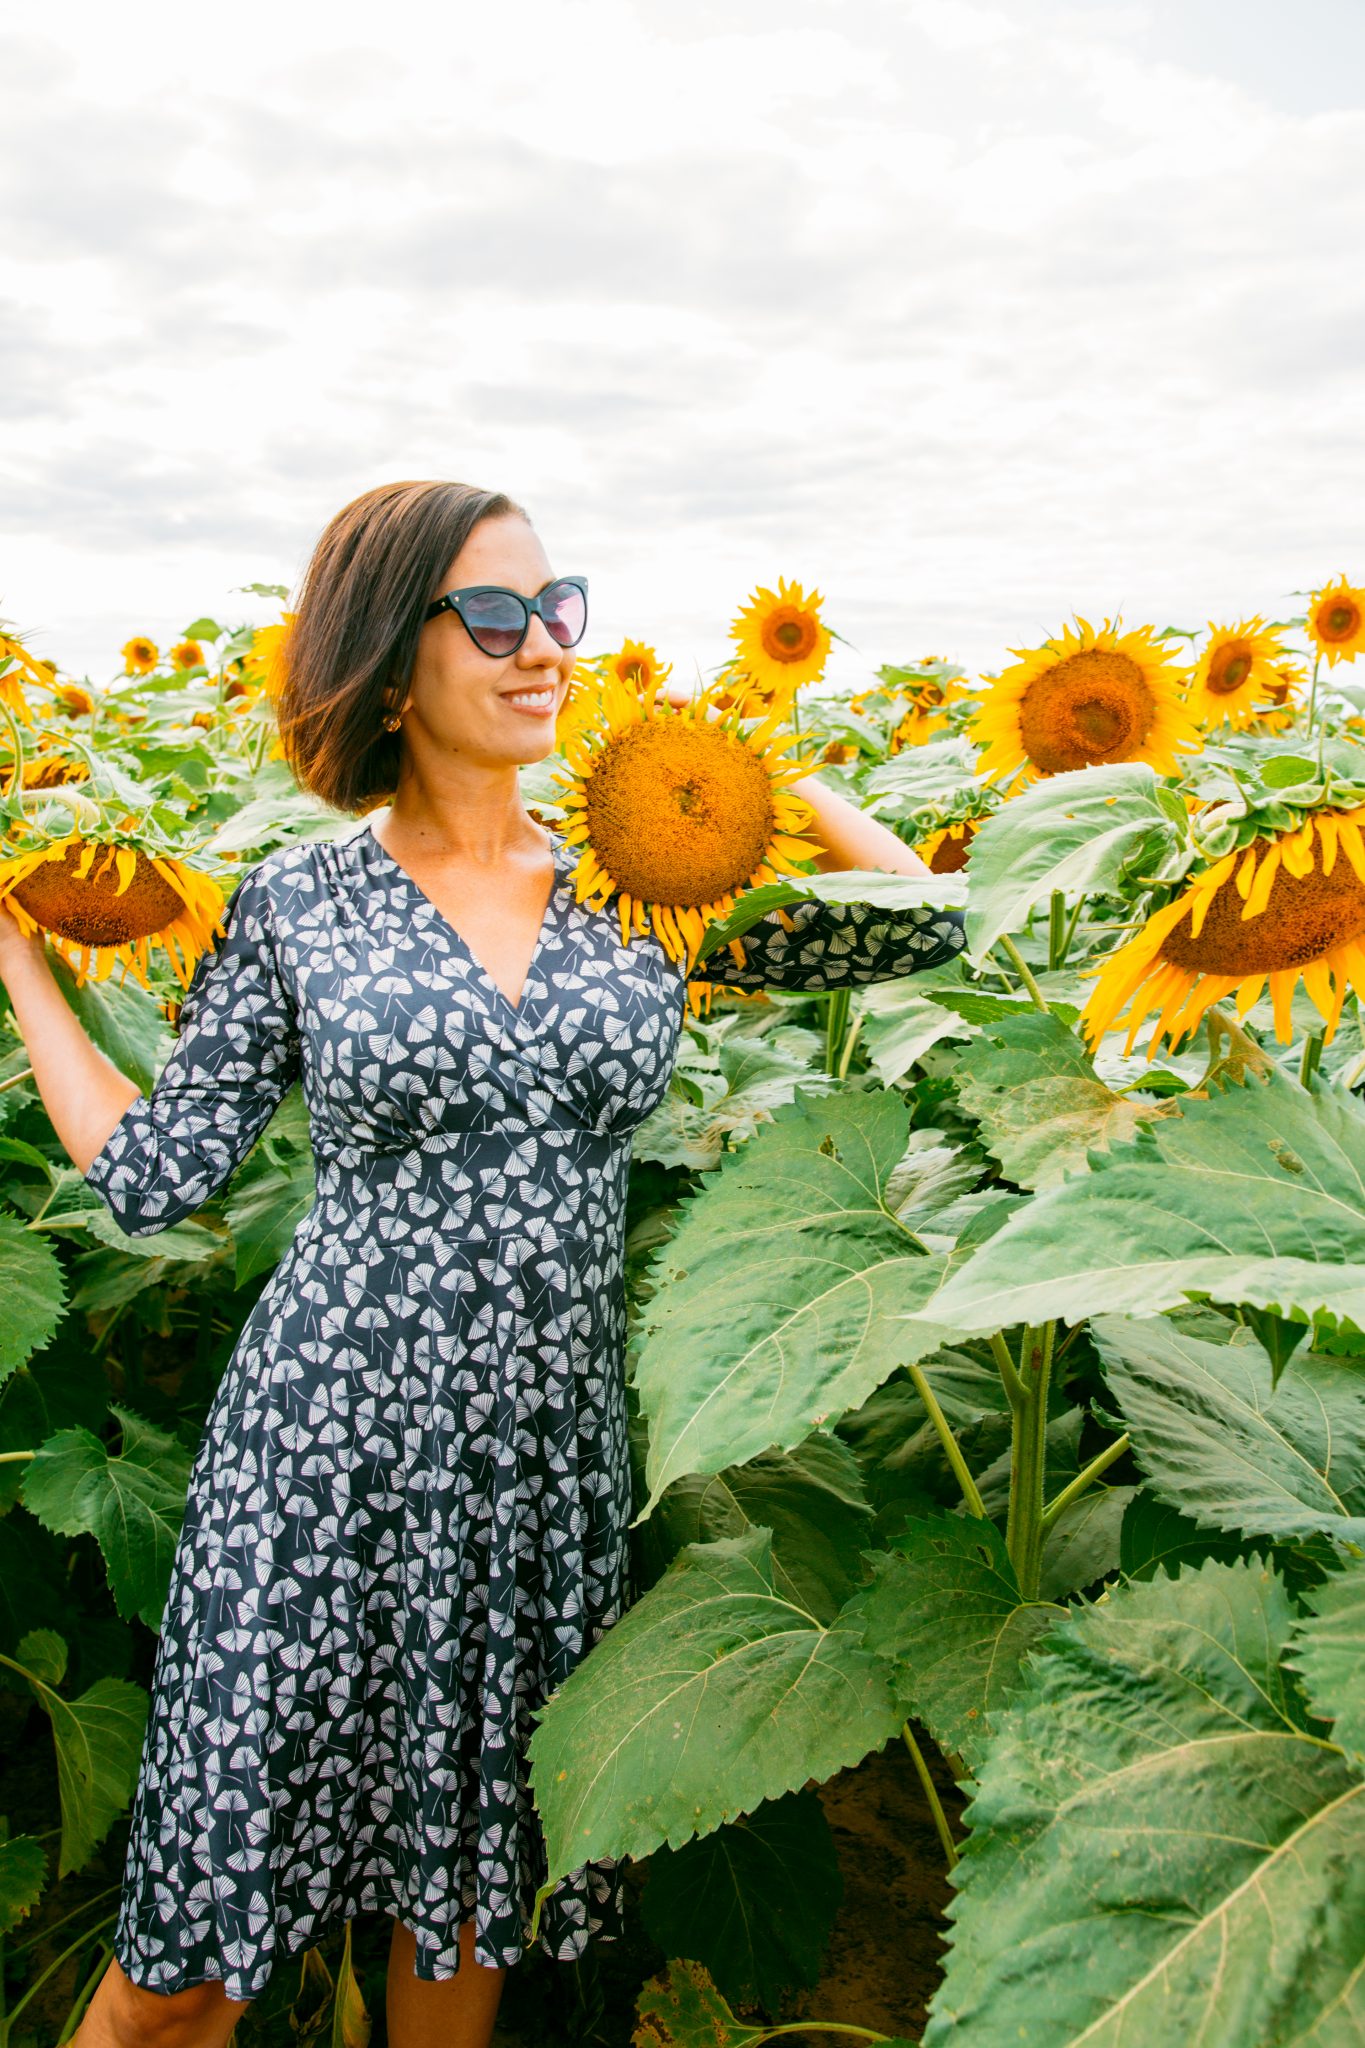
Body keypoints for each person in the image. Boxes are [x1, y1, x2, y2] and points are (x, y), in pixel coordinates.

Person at [0, 480, 965, 2048]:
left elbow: (918, 925)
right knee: (183, 1972)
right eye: (498, 617)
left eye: (559, 608)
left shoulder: (642, 892)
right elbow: (156, 1173)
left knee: (458, 1937)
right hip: (325, 1464)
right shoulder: (300, 903)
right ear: (391, 662)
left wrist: (736, 777)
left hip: (536, 1480)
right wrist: (20, 968)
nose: (547, 650)